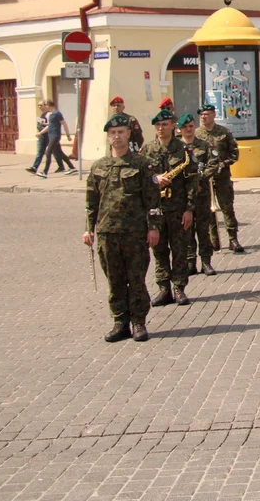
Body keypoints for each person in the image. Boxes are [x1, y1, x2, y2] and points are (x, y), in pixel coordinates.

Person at [83, 114, 162, 343]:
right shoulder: (99, 166)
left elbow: (152, 200)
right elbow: (91, 202)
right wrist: (89, 230)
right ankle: (120, 322)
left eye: (120, 132)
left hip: (135, 233)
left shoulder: (141, 164)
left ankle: (138, 322)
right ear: (108, 137)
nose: (117, 137)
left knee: (135, 279)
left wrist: (153, 228)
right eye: (113, 133)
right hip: (108, 234)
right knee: (115, 280)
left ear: (128, 134)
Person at [141, 109, 197, 307]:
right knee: (159, 250)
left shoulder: (183, 150)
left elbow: (192, 181)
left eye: (164, 124)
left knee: (180, 249)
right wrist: (155, 179)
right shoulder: (147, 150)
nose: (160, 128)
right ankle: (164, 289)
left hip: (177, 208)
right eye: (157, 125)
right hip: (156, 209)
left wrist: (189, 208)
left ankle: (179, 288)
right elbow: (141, 178)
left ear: (173, 126)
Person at [195, 103, 245, 253]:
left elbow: (234, 153)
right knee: (209, 210)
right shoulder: (197, 134)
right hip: (205, 178)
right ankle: (214, 239)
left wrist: (223, 164)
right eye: (202, 114)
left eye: (207, 114)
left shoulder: (223, 132)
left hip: (222, 177)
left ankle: (233, 239)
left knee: (227, 208)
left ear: (213, 115)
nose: (204, 117)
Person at [178, 113, 217, 276]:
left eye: (191, 126)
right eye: (185, 127)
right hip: (183, 195)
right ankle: (190, 262)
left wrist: (198, 179)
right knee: (186, 229)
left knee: (203, 229)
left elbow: (214, 164)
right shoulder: (176, 148)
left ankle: (206, 262)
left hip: (201, 193)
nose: (188, 129)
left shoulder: (204, 145)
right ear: (180, 129)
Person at [39, 100, 76, 177]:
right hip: (51, 135)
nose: (44, 107)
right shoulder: (51, 114)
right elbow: (50, 125)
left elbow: (64, 123)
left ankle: (45, 172)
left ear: (48, 105)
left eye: (45, 105)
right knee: (60, 153)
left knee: (48, 152)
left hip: (55, 136)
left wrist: (68, 135)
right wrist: (42, 130)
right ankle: (72, 167)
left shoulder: (57, 113)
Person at [27, 101, 50, 175]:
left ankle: (67, 166)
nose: (39, 107)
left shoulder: (48, 114)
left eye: (41, 105)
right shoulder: (42, 114)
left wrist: (41, 129)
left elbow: (50, 124)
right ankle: (34, 167)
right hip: (42, 136)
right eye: (38, 105)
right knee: (40, 152)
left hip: (48, 136)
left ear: (45, 105)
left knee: (57, 153)